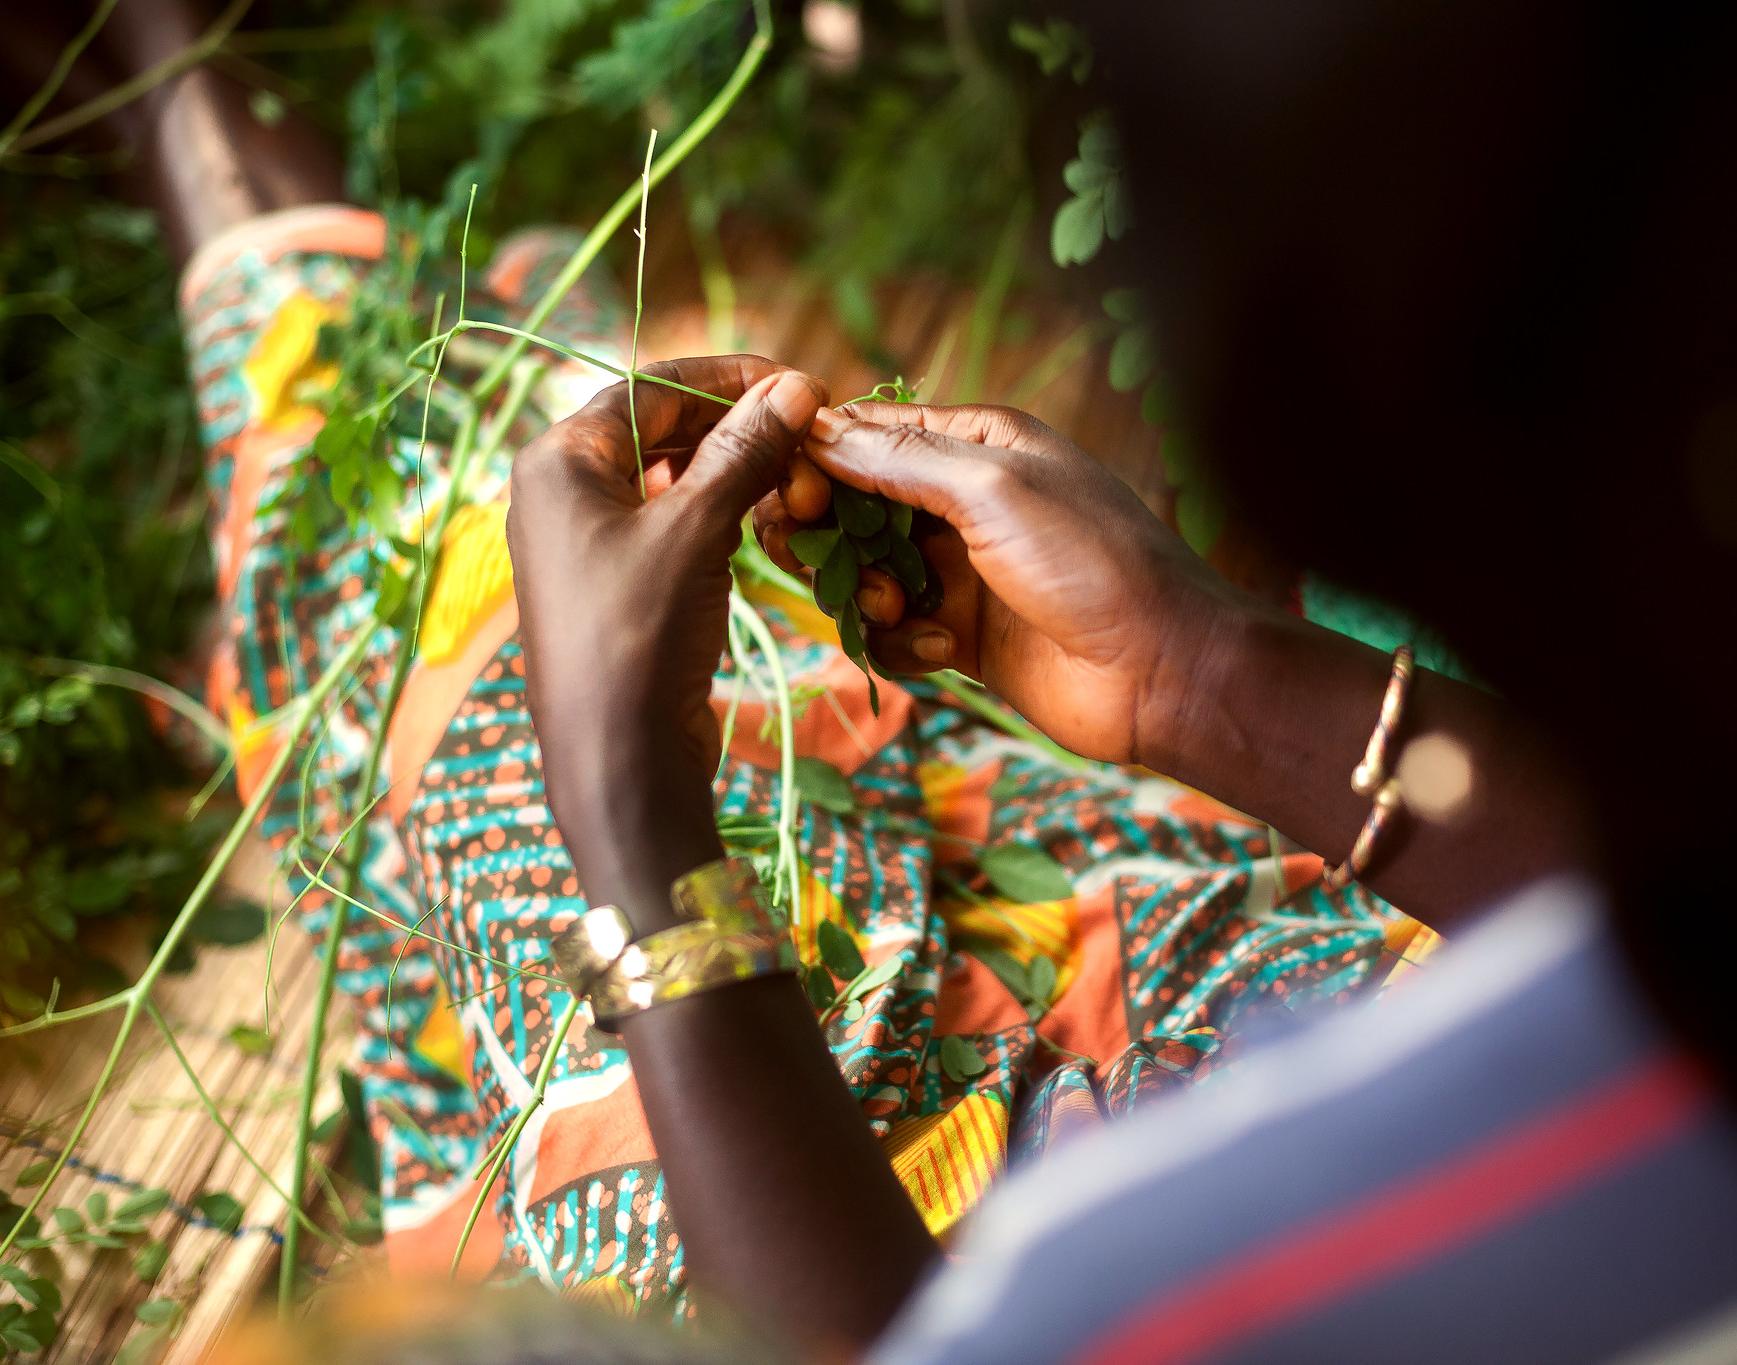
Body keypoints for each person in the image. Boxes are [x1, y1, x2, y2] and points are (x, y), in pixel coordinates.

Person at [15, 2, 1737, 1361]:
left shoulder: (1208, 1265)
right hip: (1217, 944)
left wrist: (632, 830)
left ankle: (187, 85)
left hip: (875, 1230)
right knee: (490, 644)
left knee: (455, 641)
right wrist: (1205, 678)